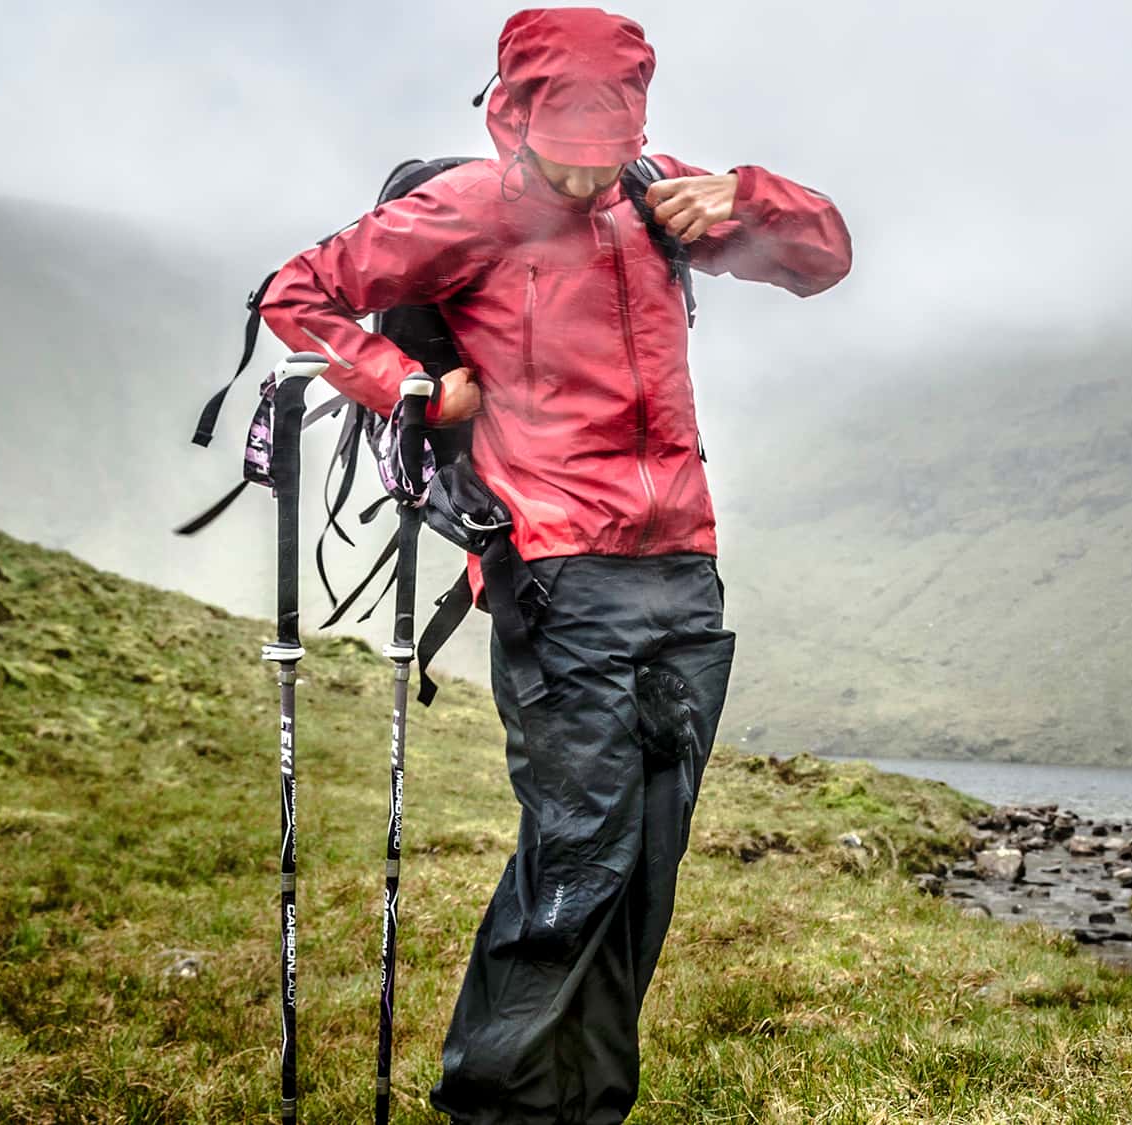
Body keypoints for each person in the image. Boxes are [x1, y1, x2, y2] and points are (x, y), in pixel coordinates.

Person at [257, 7, 852, 1122]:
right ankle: (496, 1106)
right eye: (561, 163)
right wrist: (411, 385)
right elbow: (297, 294)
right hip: (556, 573)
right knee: (581, 853)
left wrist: (749, 198)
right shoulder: (467, 207)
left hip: (682, 572)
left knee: (641, 878)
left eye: (603, 159)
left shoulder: (656, 191)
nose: (583, 186)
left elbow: (823, 259)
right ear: (513, 119)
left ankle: (586, 1109)